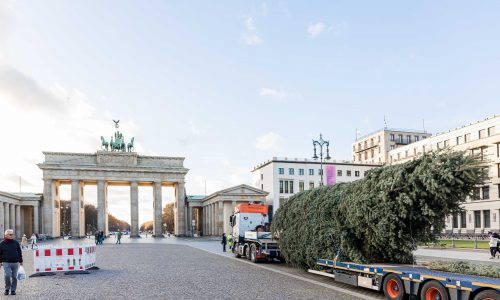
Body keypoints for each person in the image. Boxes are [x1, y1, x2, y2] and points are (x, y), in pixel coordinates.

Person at [0, 229, 23, 295]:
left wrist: (21, 261)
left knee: (14, 277)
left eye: (12, 234)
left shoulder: (16, 242)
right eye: (10, 234)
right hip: (6, 262)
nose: (12, 235)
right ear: (6, 235)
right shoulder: (2, 244)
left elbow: (19, 252)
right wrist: (0, 261)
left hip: (15, 262)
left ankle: (13, 290)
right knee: (7, 275)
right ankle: (7, 289)